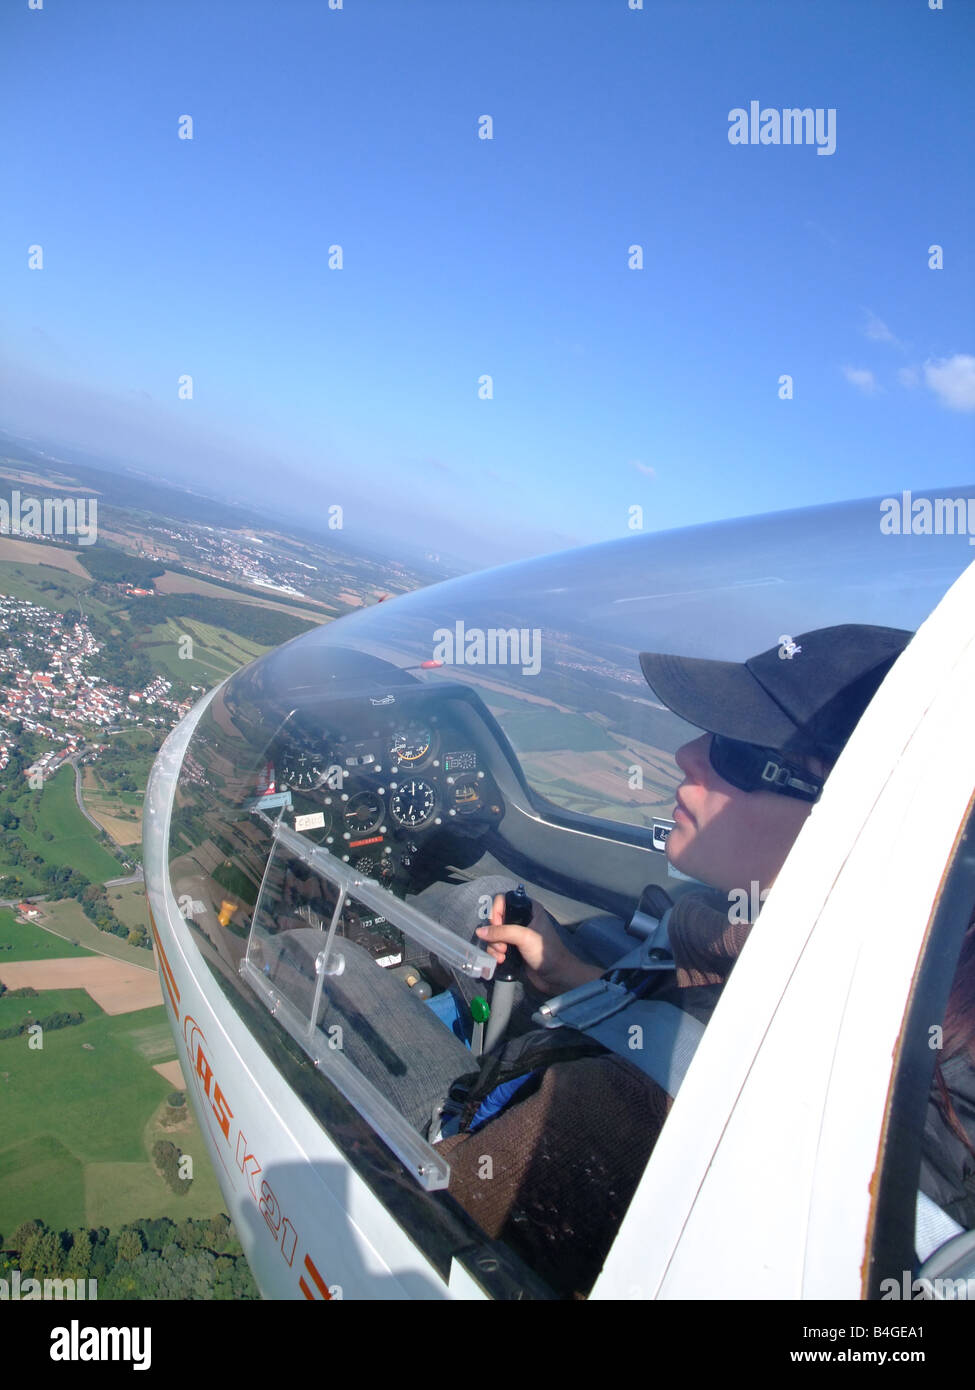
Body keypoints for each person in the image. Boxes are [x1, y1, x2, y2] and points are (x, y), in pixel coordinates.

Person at [435, 623, 914, 1296]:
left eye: (735, 749)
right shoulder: (853, 965)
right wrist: (568, 975)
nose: (688, 753)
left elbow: (415, 1220)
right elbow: (688, 1030)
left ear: (846, 811)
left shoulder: (620, 1113)